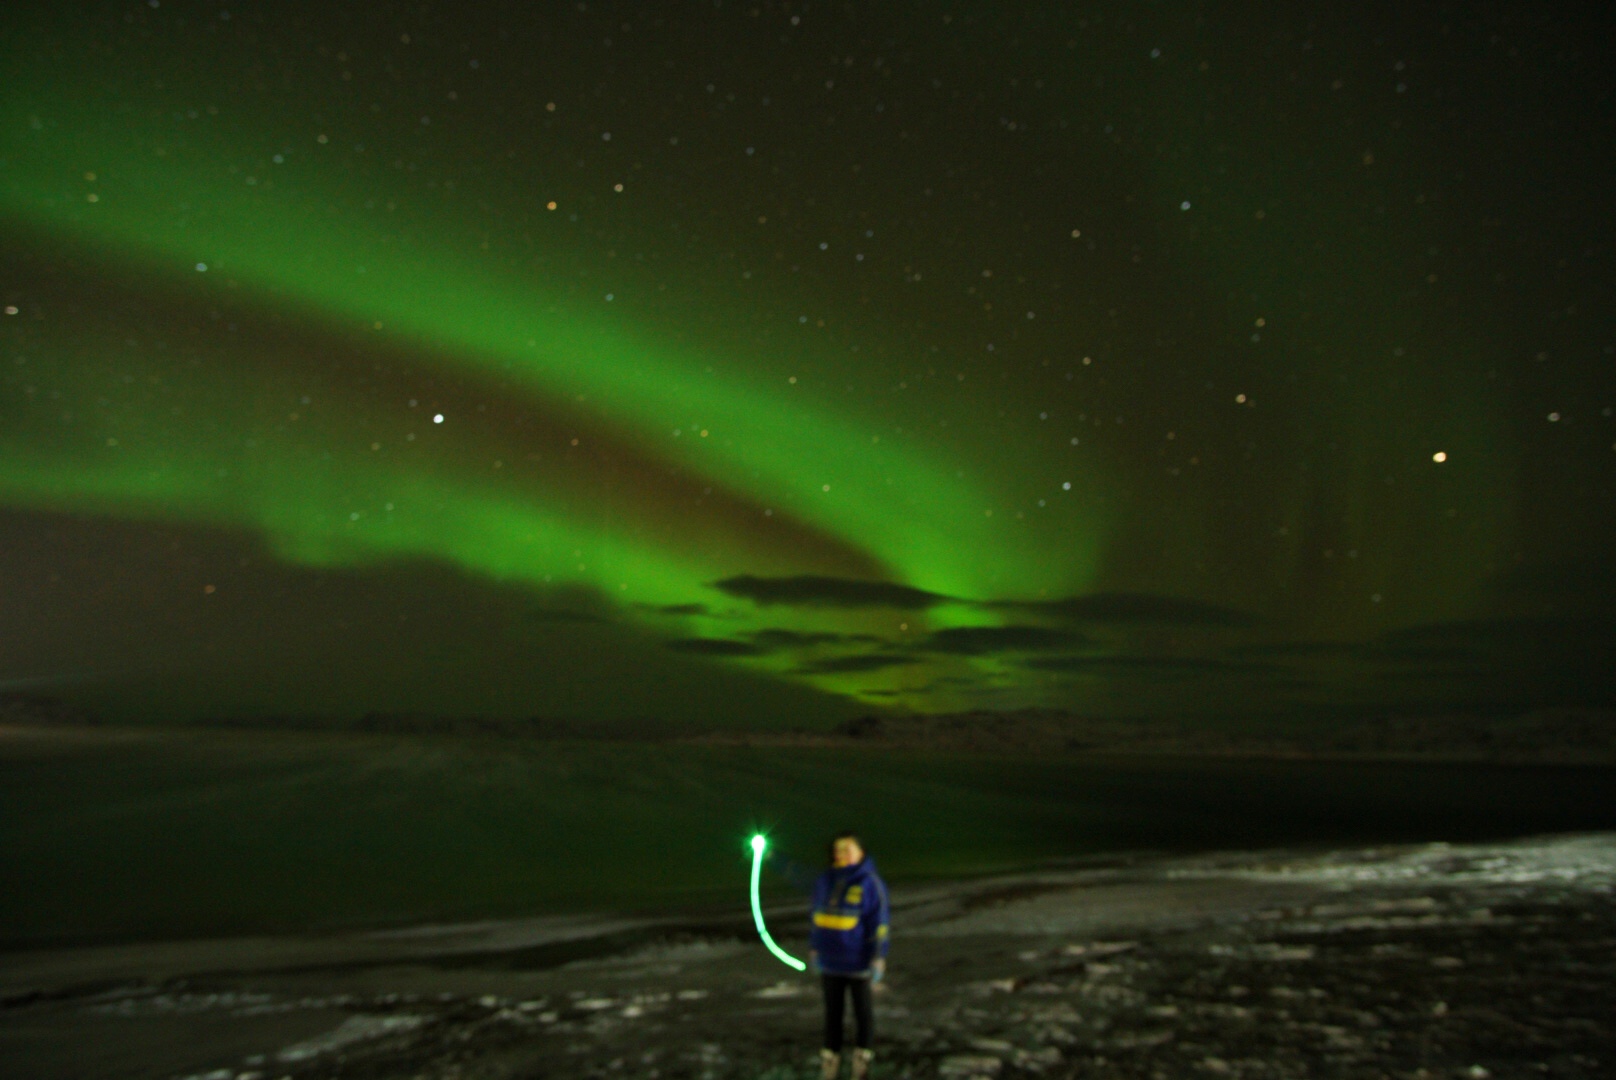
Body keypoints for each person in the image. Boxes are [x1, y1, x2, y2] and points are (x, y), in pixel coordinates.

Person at [809, 830, 890, 1080]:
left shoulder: (869, 882)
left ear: (861, 852)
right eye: (838, 849)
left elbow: (879, 921)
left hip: (859, 962)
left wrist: (878, 955)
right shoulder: (825, 880)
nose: (841, 854)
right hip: (830, 962)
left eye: (848, 849)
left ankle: (861, 1063)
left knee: (862, 1012)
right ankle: (830, 1061)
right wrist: (815, 948)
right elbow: (817, 917)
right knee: (832, 1013)